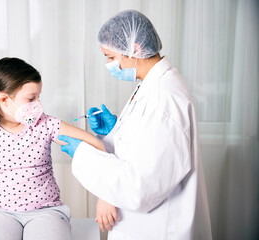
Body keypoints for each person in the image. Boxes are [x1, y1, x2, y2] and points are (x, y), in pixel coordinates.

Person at [59, 10, 212, 239]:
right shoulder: (151, 84)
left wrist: (82, 153)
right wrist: (114, 132)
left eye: (111, 58)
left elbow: (140, 188)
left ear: (135, 49)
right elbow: (144, 146)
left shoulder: (164, 100)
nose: (109, 65)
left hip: (159, 229)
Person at [0, 57, 105, 240]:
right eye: (31, 98)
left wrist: (106, 198)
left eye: (38, 97)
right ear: (4, 99)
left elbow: (96, 145)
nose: (38, 105)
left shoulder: (46, 124)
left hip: (47, 212)